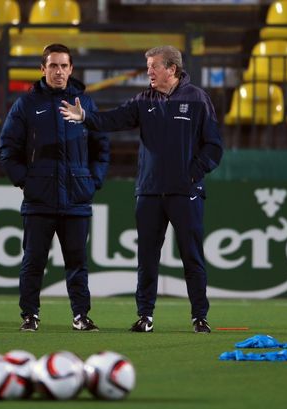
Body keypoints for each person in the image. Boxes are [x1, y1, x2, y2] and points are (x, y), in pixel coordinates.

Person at [60, 45, 223, 333]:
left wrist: (192, 174)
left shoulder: (197, 99)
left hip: (186, 193)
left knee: (192, 256)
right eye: (148, 66)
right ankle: (145, 315)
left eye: (154, 66)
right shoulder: (142, 100)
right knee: (147, 258)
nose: (148, 71)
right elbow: (113, 119)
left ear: (171, 69)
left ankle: (200, 317)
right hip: (148, 192)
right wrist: (85, 117)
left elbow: (214, 146)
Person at [0, 43, 110, 332]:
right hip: (39, 199)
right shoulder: (26, 105)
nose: (58, 71)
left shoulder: (86, 104)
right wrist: (27, 181)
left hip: (76, 197)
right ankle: (30, 316)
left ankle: (80, 316)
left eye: (63, 66)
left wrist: (92, 181)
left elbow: (102, 148)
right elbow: (7, 149)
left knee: (77, 262)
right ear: (43, 69)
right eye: (53, 66)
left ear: (71, 69)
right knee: (33, 261)